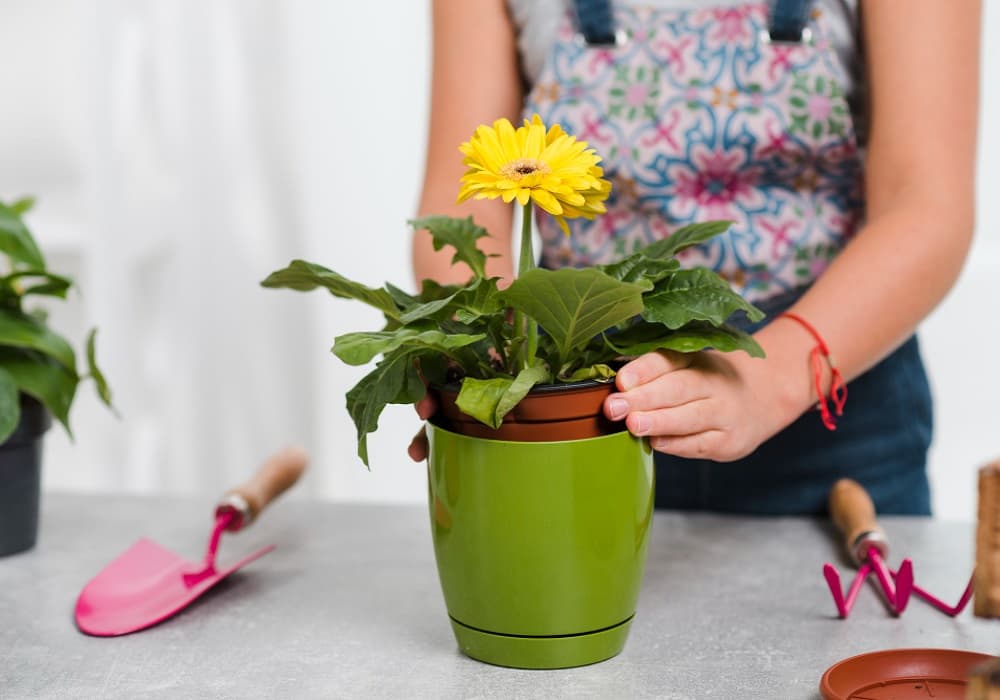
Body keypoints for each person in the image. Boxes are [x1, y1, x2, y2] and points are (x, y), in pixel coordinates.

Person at [408, 0, 981, 515]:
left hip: (836, 416)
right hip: (576, 406)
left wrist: (773, 378)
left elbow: (926, 207)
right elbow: (464, 204)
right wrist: (483, 356)